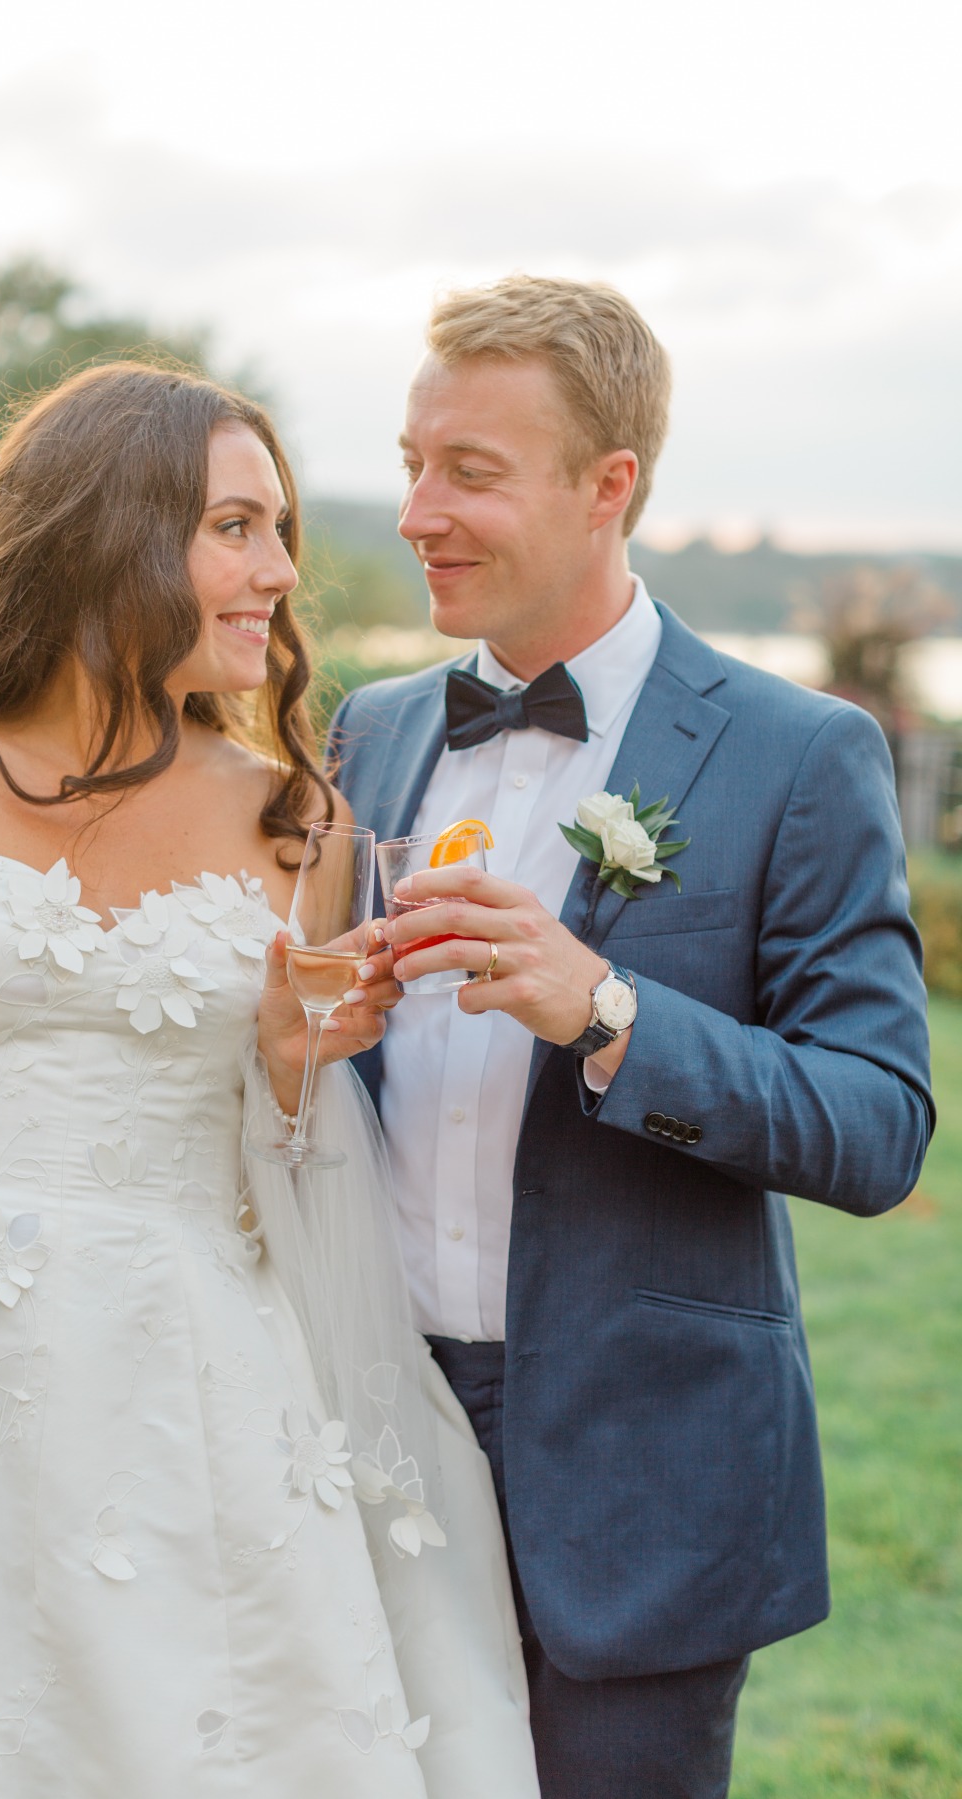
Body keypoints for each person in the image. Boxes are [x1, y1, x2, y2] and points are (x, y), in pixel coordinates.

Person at [0, 362, 540, 1797]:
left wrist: (293, 1071)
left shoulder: (295, 824)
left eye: (282, 528)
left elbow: (294, 1168)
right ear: (105, 534)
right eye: (238, 526)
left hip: (180, 1381)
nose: (281, 570)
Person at [330, 276, 935, 1799]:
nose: (417, 510)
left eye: (470, 471)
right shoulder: (373, 730)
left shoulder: (800, 754)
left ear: (613, 489)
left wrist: (606, 1012)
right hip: (363, 1436)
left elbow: (876, 1124)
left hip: (638, 1462)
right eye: (412, 462)